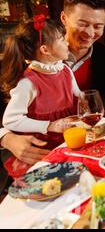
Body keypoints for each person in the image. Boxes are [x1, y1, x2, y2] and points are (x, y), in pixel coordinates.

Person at [0, 17, 81, 177]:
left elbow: (80, 98)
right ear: (45, 50)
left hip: (68, 142)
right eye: (61, 39)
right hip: (42, 152)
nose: (67, 42)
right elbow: (10, 120)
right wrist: (49, 125)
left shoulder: (65, 70)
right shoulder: (28, 83)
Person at [61, 0, 105, 114]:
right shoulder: (42, 53)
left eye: (98, 26)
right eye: (82, 24)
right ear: (64, 19)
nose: (90, 33)